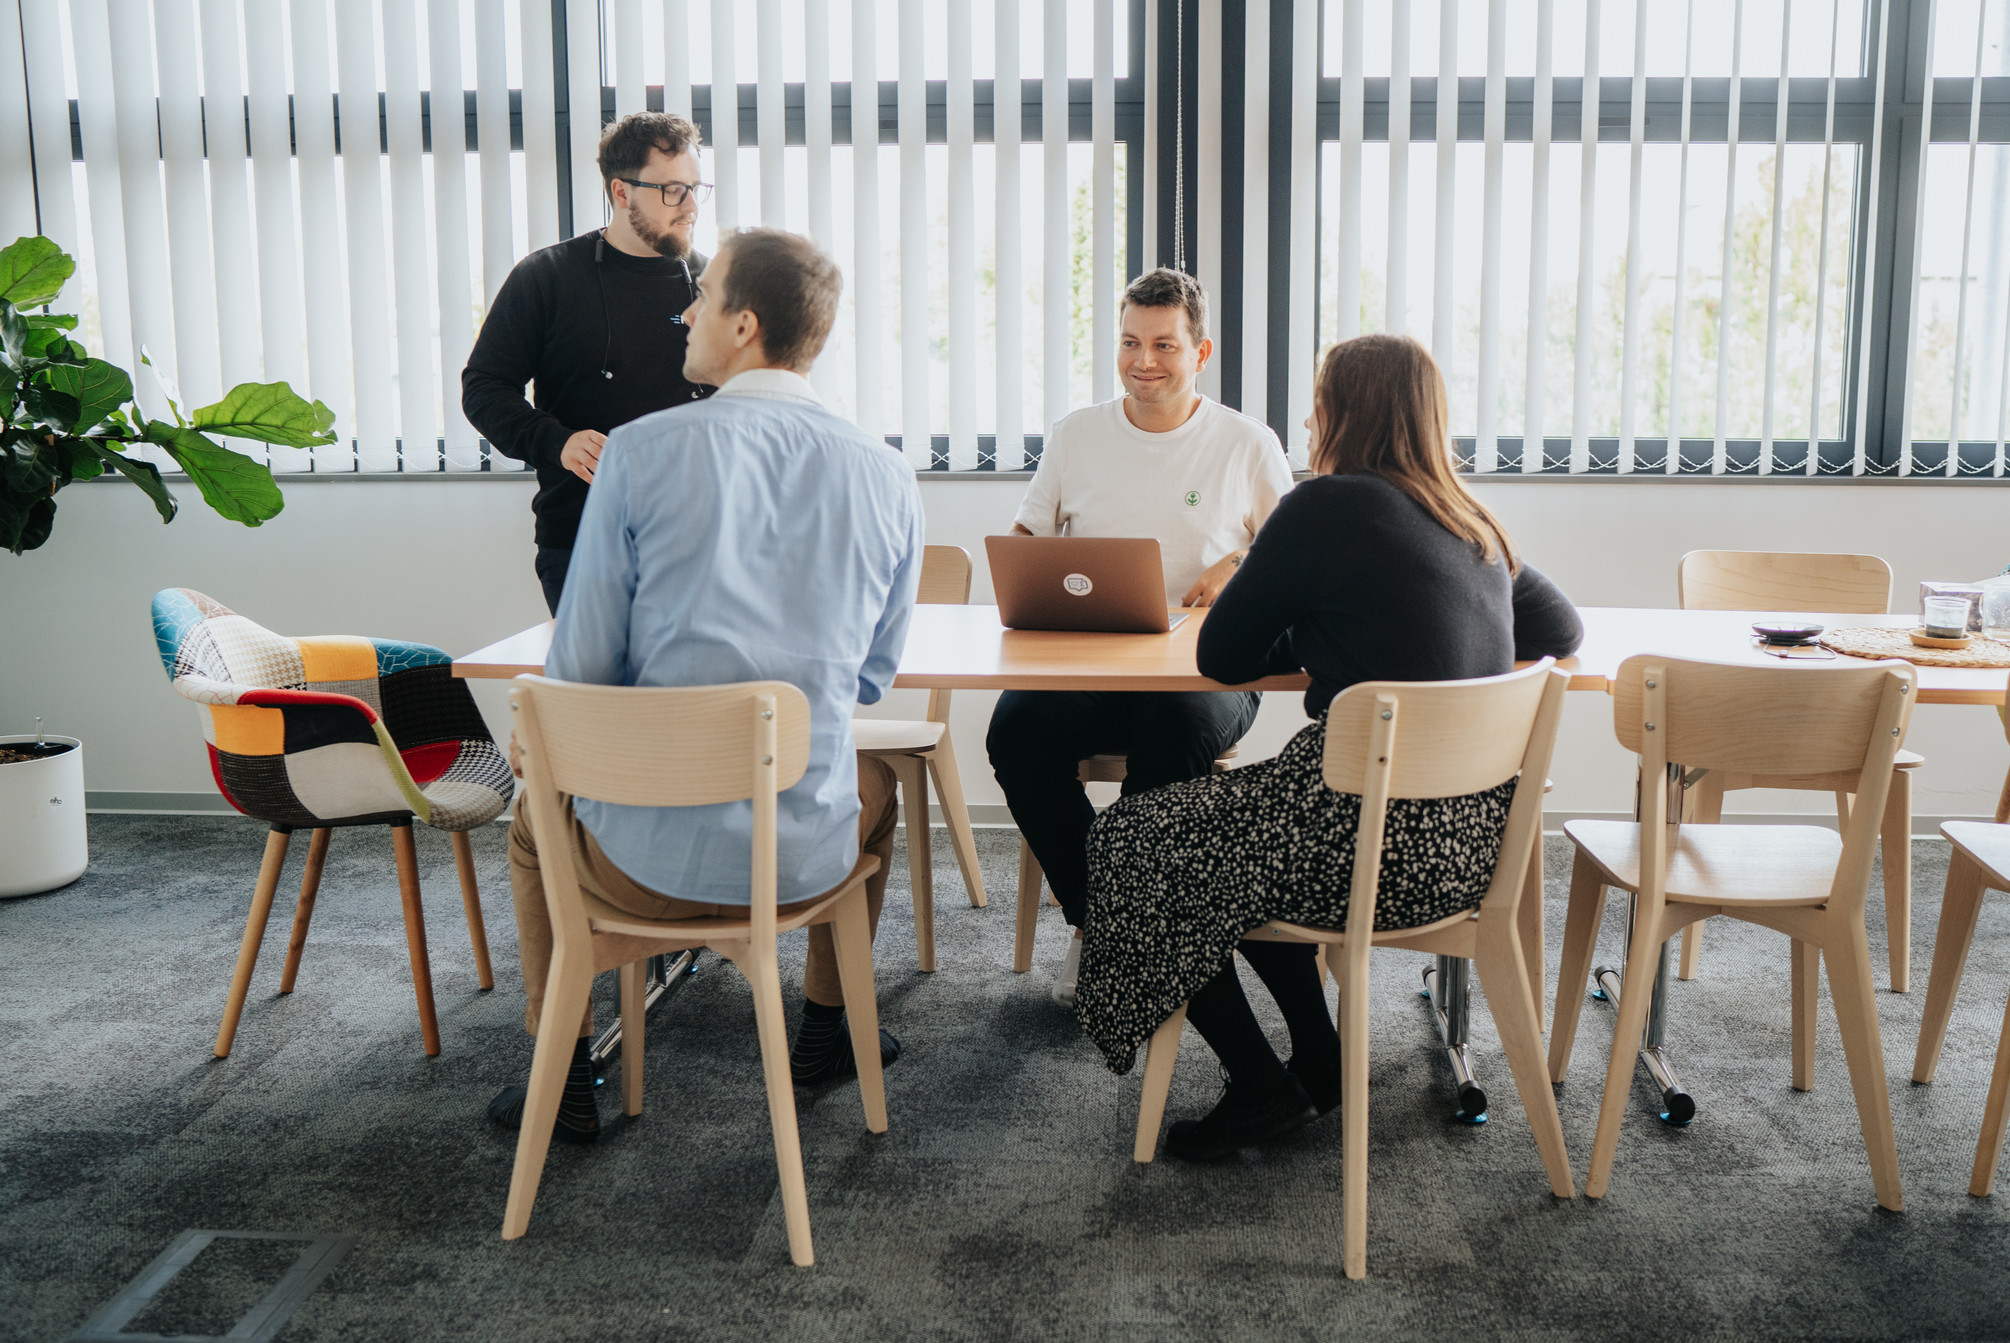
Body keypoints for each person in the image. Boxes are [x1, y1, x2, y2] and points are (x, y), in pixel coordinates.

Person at [1073, 334, 1585, 1161]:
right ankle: (1318, 1057)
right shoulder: (1469, 513)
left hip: (1356, 845)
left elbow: (1222, 658)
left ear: (1342, 411)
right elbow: (1563, 629)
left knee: (1134, 840)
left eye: (1319, 400)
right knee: (1236, 831)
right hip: (1463, 850)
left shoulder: (1324, 505)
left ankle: (1263, 1083)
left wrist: (1304, 626)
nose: (1310, 417)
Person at [489, 228, 924, 1144]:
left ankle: (561, 1068)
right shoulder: (888, 474)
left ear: (744, 324)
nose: (684, 310)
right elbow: (873, 678)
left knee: (534, 813)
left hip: (644, 869)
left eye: (703, 295)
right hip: (803, 862)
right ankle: (822, 1031)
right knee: (879, 794)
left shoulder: (639, 454)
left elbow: (582, 673)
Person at [988, 268, 1295, 1005]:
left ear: (1201, 351)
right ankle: (1108, 926)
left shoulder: (1246, 443)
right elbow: (1028, 533)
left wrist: (1241, 560)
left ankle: (1128, 935)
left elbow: (1294, 549)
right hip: (1092, 666)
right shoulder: (1077, 435)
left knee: (1170, 741)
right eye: (1129, 342)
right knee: (1016, 732)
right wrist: (1025, 555)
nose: (1143, 360)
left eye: (1164, 344)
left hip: (1210, 673)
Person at [462, 111, 720, 616]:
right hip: (583, 540)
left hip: (701, 541)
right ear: (621, 192)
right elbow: (485, 387)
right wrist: (556, 443)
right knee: (603, 696)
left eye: (695, 188)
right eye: (672, 190)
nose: (690, 206)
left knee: (696, 696)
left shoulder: (716, 283)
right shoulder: (546, 277)